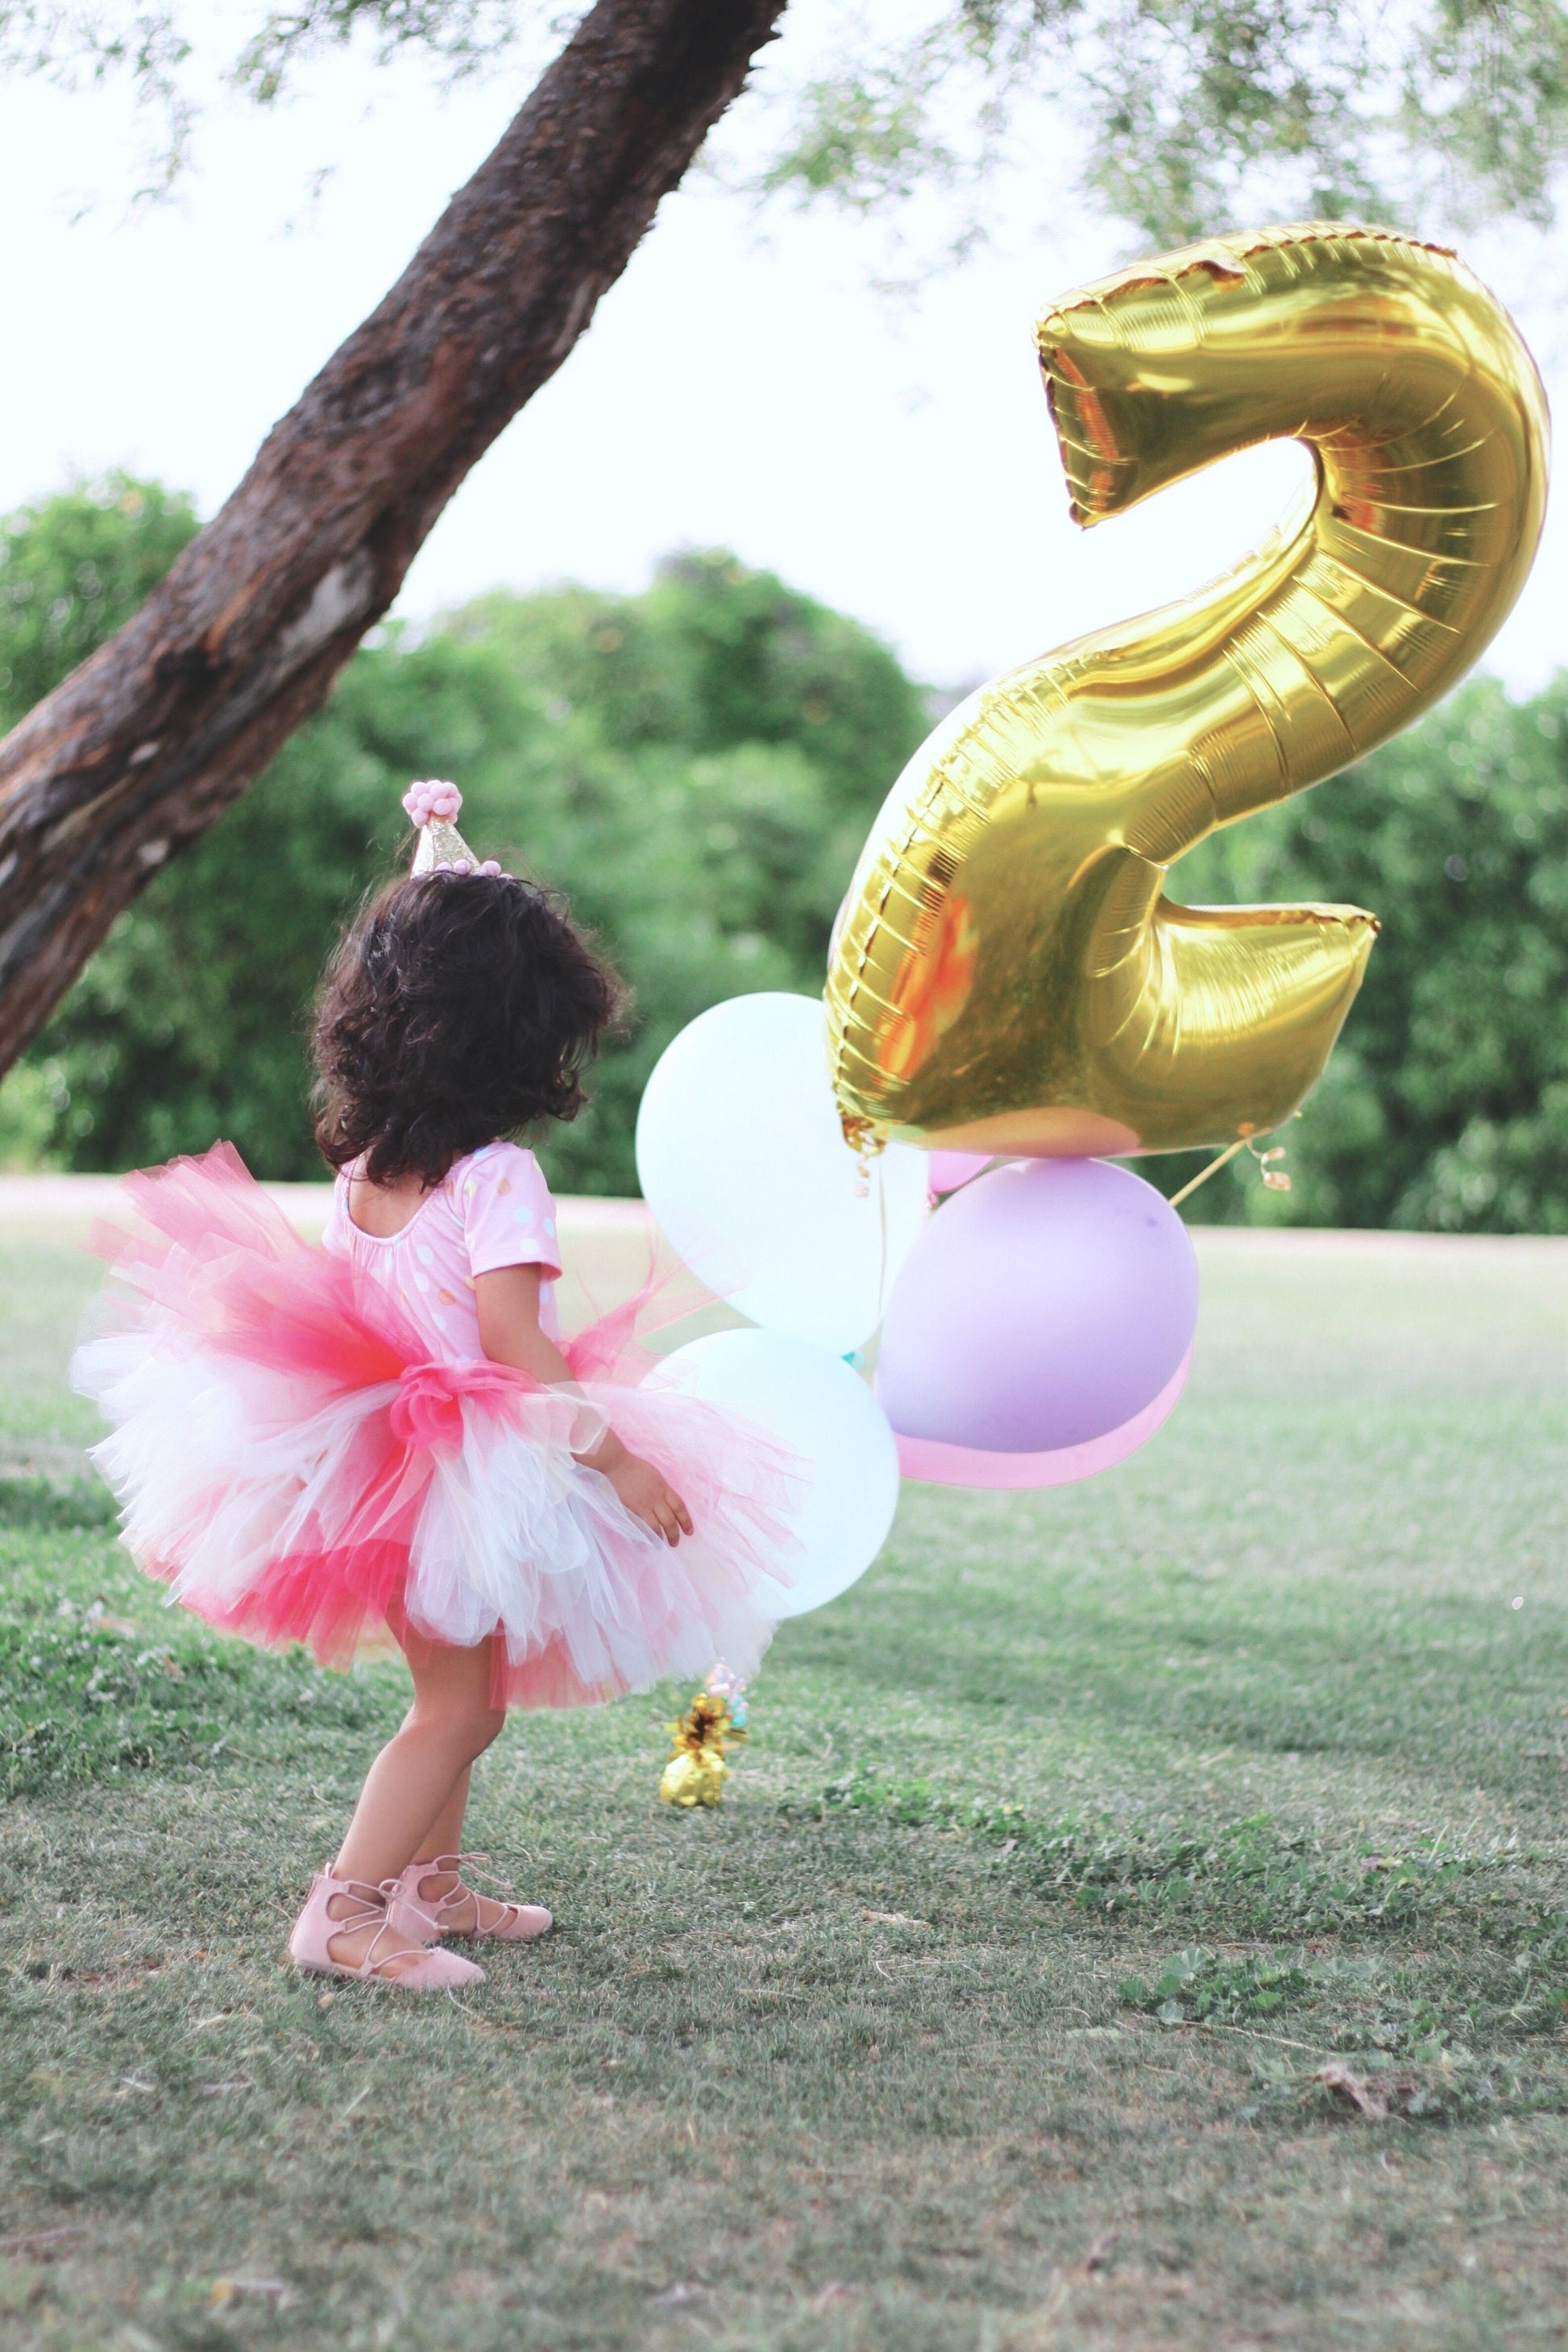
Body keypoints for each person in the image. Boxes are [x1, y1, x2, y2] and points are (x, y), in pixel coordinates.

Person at [73, 782, 798, 1991]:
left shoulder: (364, 1165)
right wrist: (617, 1458)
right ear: (520, 1036)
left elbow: (366, 1310)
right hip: (467, 1467)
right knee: (459, 1708)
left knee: (467, 1684)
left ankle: (431, 1886)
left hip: (389, 1466)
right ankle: (345, 1913)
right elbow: (516, 1347)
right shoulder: (498, 1177)